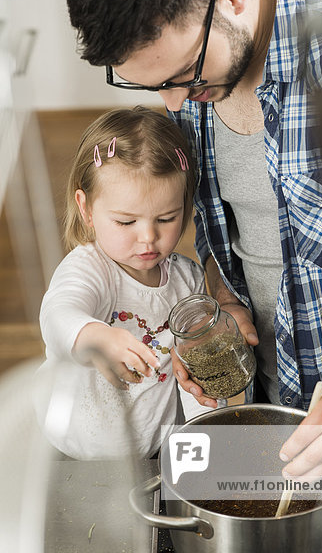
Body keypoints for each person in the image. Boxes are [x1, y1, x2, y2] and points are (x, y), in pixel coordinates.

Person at [64, 0, 322, 477]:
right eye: (152, 87)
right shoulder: (201, 79)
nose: (175, 105)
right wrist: (222, 301)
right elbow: (244, 226)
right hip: (280, 419)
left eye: (184, 79)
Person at [34, 106, 209, 460]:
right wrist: (98, 337)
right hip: (71, 449)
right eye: (126, 222)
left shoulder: (188, 280)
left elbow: (193, 374)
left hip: (154, 447)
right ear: (87, 210)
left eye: (165, 218)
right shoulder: (90, 268)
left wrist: (205, 431)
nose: (148, 238)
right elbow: (58, 314)